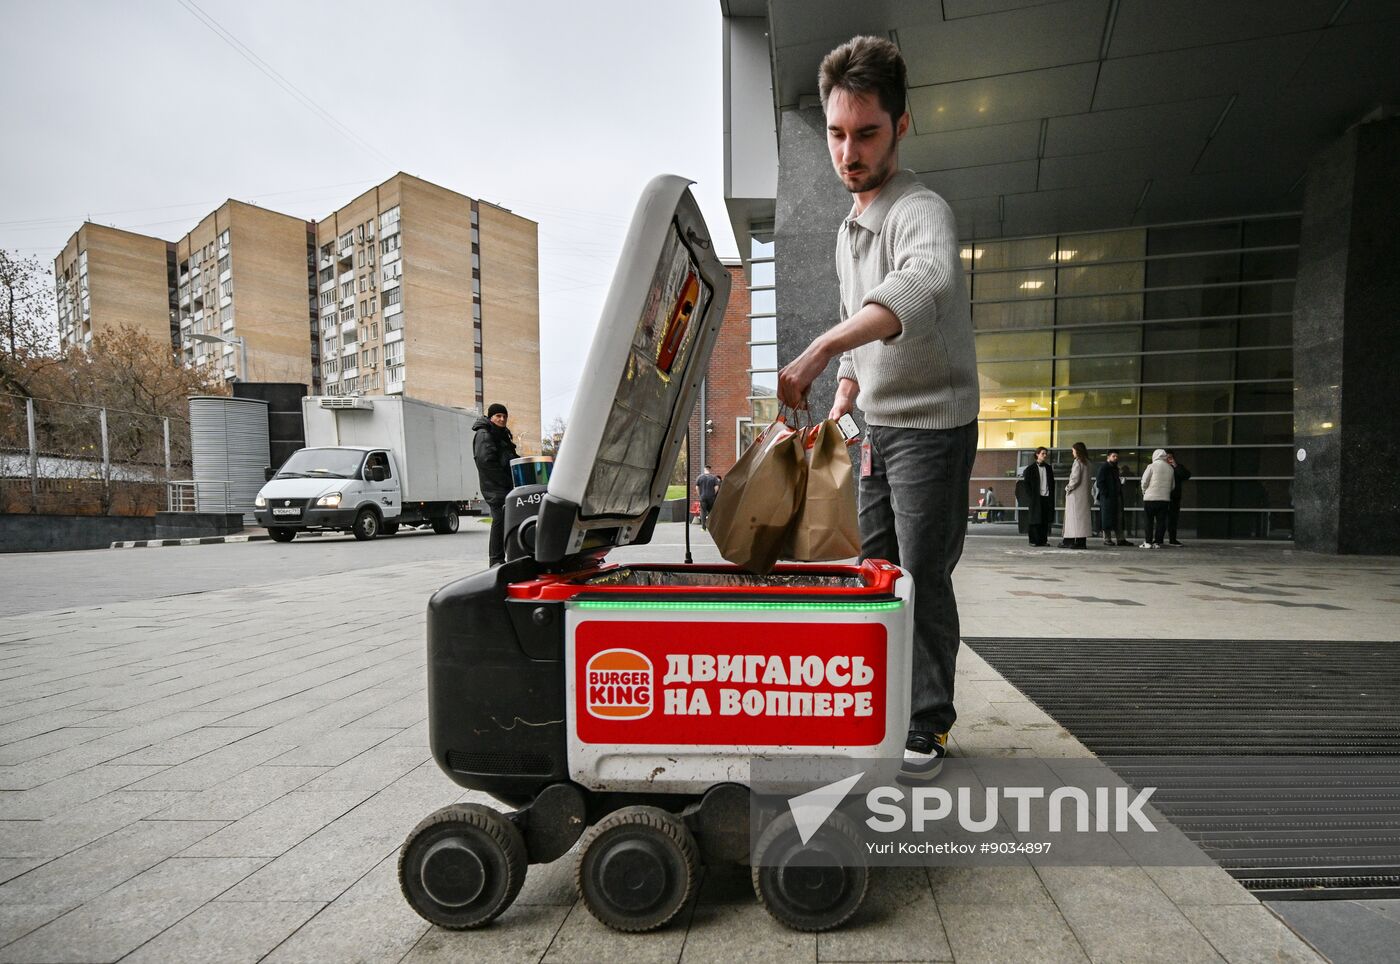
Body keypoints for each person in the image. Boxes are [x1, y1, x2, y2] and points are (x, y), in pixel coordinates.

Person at [773, 36, 979, 782]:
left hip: (932, 426)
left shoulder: (919, 210)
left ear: (901, 125)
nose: (848, 152)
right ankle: (881, 703)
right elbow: (863, 345)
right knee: (873, 570)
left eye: (866, 133)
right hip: (878, 426)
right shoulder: (845, 230)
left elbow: (924, 286)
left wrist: (821, 348)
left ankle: (927, 722)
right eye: (836, 133)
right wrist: (845, 403)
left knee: (921, 575)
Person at [472, 403, 519, 566]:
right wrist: (506, 481)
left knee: (508, 519)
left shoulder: (501, 434)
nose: (502, 419)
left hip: (504, 486)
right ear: (491, 417)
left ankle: (511, 556)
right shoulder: (485, 434)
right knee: (499, 520)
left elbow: (509, 456)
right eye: (498, 416)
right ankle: (496, 560)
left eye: (504, 416)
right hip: (495, 487)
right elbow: (486, 462)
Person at [1138, 448, 1175, 549]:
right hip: (1164, 499)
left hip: (1150, 498)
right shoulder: (1170, 468)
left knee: (1148, 521)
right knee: (1161, 521)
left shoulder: (1151, 466)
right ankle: (1158, 542)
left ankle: (1148, 542)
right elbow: (1173, 486)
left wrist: (1144, 491)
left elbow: (1144, 481)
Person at [1059, 442, 1091, 549]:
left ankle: (1070, 540)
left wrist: (1067, 488)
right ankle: (1081, 541)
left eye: (1073, 450)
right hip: (1084, 496)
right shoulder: (1087, 463)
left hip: (1075, 495)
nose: (1072, 452)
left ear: (1077, 451)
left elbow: (1075, 479)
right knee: (1082, 520)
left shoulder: (1077, 462)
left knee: (1072, 520)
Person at [1021, 447, 1055, 547]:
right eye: (1043, 453)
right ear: (1037, 454)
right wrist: (1031, 496)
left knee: (1044, 520)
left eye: (1046, 454)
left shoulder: (1048, 468)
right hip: (1035, 498)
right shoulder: (1030, 469)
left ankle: (1043, 541)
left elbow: (1052, 483)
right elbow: (1026, 484)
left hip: (1046, 497)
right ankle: (1033, 541)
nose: (1045, 455)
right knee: (1034, 520)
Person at [1095, 450, 1128, 546]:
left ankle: (1120, 539)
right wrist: (1105, 494)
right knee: (1107, 519)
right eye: (1114, 456)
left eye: (1117, 456)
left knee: (1118, 518)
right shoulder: (1104, 467)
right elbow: (1100, 482)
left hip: (1115, 496)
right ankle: (1107, 539)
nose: (1116, 458)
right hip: (1108, 498)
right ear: (1108, 457)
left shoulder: (1114, 468)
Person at [1165, 450, 1191, 546]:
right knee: (1161, 519)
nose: (1168, 459)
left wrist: (1175, 465)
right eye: (1166, 457)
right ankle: (1158, 539)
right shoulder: (1160, 467)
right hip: (1162, 496)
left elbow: (1186, 475)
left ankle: (1172, 539)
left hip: (1174, 497)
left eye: (1170, 457)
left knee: (1173, 519)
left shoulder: (1177, 467)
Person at [695, 464, 721, 530]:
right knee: (711, 512)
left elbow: (697, 487)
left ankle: (703, 528)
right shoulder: (714, 478)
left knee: (703, 512)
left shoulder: (699, 477)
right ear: (710, 469)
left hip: (702, 497)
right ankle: (711, 527)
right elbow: (716, 487)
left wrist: (699, 495)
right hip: (711, 497)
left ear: (704, 469)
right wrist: (713, 494)